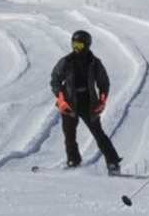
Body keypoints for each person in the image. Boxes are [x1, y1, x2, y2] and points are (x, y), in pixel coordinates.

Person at [50, 29, 122, 173]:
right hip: (69, 102)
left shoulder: (94, 63)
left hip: (88, 103)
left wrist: (102, 100)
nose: (76, 48)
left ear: (87, 45)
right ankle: (73, 161)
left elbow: (103, 83)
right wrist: (61, 98)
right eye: (74, 44)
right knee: (69, 135)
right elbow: (55, 80)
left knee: (98, 133)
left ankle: (113, 163)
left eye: (79, 45)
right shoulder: (66, 61)